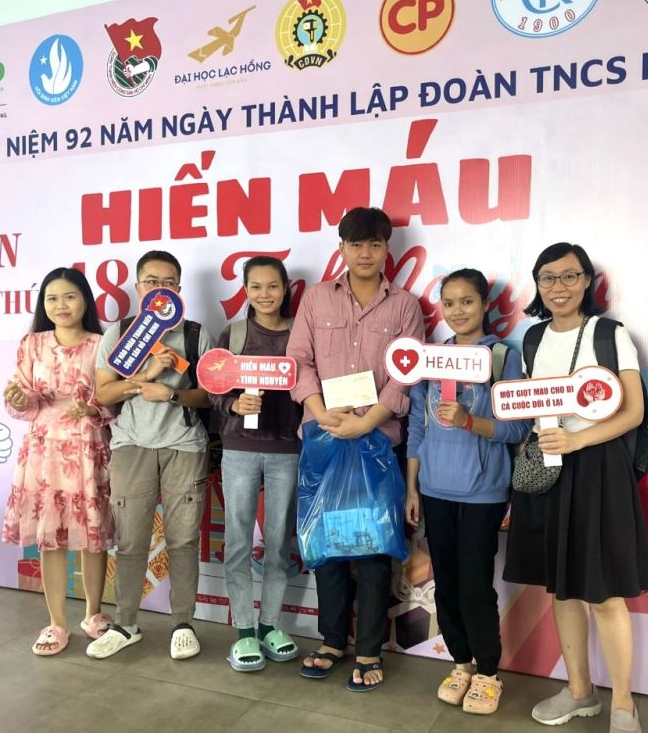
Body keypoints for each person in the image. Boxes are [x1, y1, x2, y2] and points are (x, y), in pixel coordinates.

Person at [503, 243, 648, 733]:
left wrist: (578, 439)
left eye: (569, 276)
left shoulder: (610, 335)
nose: (559, 287)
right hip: (548, 469)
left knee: (604, 593)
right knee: (563, 589)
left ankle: (624, 705)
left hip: (599, 470)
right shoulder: (532, 338)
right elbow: (531, 404)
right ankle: (579, 691)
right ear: (538, 284)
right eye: (548, 278)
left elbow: (633, 411)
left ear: (587, 281)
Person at [287, 207, 424, 691]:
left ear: (387, 249)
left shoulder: (404, 306)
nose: (365, 253)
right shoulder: (317, 298)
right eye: (356, 244)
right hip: (323, 438)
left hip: (377, 442)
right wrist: (321, 411)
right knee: (326, 547)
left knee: (372, 548)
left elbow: (407, 374)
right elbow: (298, 359)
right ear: (341, 248)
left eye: (375, 244)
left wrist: (365, 422)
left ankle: (368, 650)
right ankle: (331, 642)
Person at [404, 269, 529, 714]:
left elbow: (518, 429)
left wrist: (469, 421)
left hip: (483, 493)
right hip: (435, 490)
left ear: (485, 305)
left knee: (475, 586)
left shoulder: (502, 357)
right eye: (449, 303)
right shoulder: (429, 359)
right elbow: (417, 426)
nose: (457, 311)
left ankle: (489, 674)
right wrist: (412, 487)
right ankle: (461, 664)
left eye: (467, 301)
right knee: (447, 585)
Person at [88, 250, 215, 660]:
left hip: (185, 445)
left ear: (179, 289)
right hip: (131, 445)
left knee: (183, 539)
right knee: (130, 540)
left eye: (168, 283)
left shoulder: (196, 335)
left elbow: (211, 397)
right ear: (138, 287)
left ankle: (183, 624)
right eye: (151, 282)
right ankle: (125, 624)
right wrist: (146, 375)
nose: (160, 289)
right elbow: (103, 393)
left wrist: (172, 394)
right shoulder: (120, 332)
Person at [2, 267, 114, 656]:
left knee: (92, 537)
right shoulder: (32, 344)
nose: (61, 305)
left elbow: (115, 400)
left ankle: (94, 614)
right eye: (52, 298)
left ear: (85, 301)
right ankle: (57, 623)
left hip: (87, 448)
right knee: (51, 539)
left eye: (69, 296)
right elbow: (20, 398)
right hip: (44, 451)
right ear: (43, 304)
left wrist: (94, 409)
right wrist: (19, 399)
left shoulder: (102, 344)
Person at [209, 256, 303, 672]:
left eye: (273, 286)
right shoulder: (233, 334)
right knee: (238, 541)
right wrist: (233, 404)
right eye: (256, 287)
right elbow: (213, 387)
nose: (265, 295)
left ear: (286, 289)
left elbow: (312, 385)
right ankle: (244, 631)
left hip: (288, 450)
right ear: (245, 291)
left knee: (280, 543)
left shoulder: (301, 334)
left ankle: (270, 625)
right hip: (239, 448)